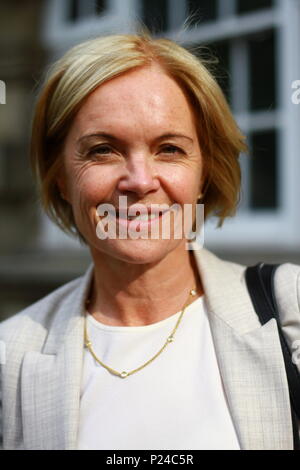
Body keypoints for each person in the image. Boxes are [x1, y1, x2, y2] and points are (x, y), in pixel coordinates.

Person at [0, 31, 299, 451]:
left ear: (204, 173)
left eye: (170, 149)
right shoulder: (10, 355)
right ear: (60, 178)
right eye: (103, 149)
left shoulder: (290, 311)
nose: (140, 181)